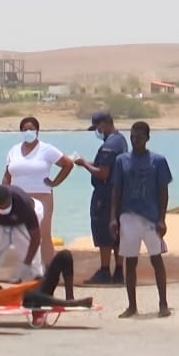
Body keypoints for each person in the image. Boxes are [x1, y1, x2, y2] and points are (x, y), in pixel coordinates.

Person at [111, 121, 172, 319]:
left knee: (156, 259)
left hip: (151, 217)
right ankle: (132, 305)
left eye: (139, 136)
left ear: (147, 138)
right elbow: (116, 190)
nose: (135, 140)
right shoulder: (122, 160)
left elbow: (163, 191)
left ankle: (163, 303)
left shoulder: (158, 161)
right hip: (128, 215)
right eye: (132, 136)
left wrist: (162, 219)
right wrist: (114, 217)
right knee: (130, 261)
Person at [1, 116, 74, 266]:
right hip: (19, 198)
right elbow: (7, 175)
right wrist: (5, 194)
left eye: (31, 129)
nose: (28, 132)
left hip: (42, 197)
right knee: (22, 235)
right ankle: (28, 269)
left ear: (37, 131)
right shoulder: (14, 151)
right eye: (25, 129)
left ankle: (49, 271)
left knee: (43, 234)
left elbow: (68, 164)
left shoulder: (46, 149)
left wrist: (55, 182)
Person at [75, 111, 128, 285]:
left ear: (105, 124)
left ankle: (105, 270)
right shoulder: (120, 140)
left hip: (104, 194)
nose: (97, 131)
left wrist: (84, 165)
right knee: (118, 231)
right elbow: (106, 165)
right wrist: (86, 161)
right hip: (119, 192)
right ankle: (119, 270)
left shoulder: (108, 145)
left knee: (103, 230)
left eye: (98, 127)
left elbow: (102, 172)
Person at [0, 249, 91, 309]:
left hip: (33, 289)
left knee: (64, 255)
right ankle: (70, 304)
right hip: (25, 300)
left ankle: (70, 296)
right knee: (29, 296)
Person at [0, 184, 45, 295]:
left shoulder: (23, 203)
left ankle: (36, 297)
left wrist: (26, 264)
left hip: (23, 222)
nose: (4, 209)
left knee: (33, 264)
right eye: (1, 207)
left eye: (6, 206)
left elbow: (35, 238)